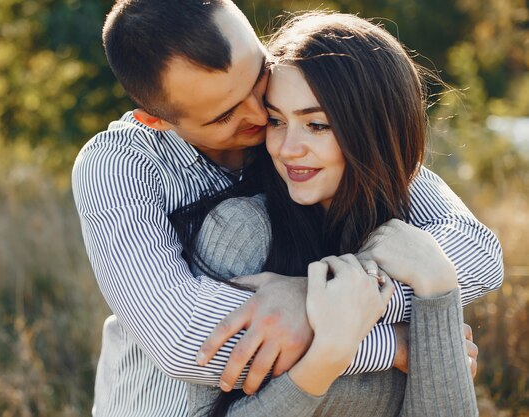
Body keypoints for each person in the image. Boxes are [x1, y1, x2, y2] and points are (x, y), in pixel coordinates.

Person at [71, 1, 503, 416]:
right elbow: (187, 342)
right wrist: (396, 344)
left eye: (258, 75)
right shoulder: (118, 166)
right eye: (225, 115)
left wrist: (315, 294)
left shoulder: (288, 117)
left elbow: (473, 251)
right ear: (158, 120)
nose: (260, 115)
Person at [184, 12, 489, 416]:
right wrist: (325, 356)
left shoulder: (414, 243)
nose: (288, 148)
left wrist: (437, 282)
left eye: (317, 125)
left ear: (375, 129)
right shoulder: (242, 230)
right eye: (276, 120)